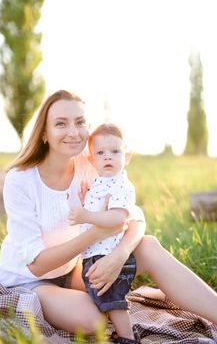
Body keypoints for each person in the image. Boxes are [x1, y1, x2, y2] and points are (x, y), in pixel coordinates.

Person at [0, 90, 217, 342]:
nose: (73, 131)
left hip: (76, 269)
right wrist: (97, 232)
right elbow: (37, 265)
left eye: (80, 122)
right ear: (44, 133)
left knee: (148, 246)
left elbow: (135, 218)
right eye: (61, 123)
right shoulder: (20, 179)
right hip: (30, 280)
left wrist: (119, 255)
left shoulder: (91, 162)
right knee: (94, 320)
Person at [68, 123, 140, 343]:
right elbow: (101, 211)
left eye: (115, 151)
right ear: (92, 160)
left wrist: (86, 215)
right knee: (103, 298)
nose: (108, 157)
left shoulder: (121, 184)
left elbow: (119, 219)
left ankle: (126, 337)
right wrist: (86, 201)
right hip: (95, 254)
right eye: (100, 152)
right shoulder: (100, 183)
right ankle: (124, 331)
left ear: (126, 156)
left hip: (108, 255)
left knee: (112, 298)